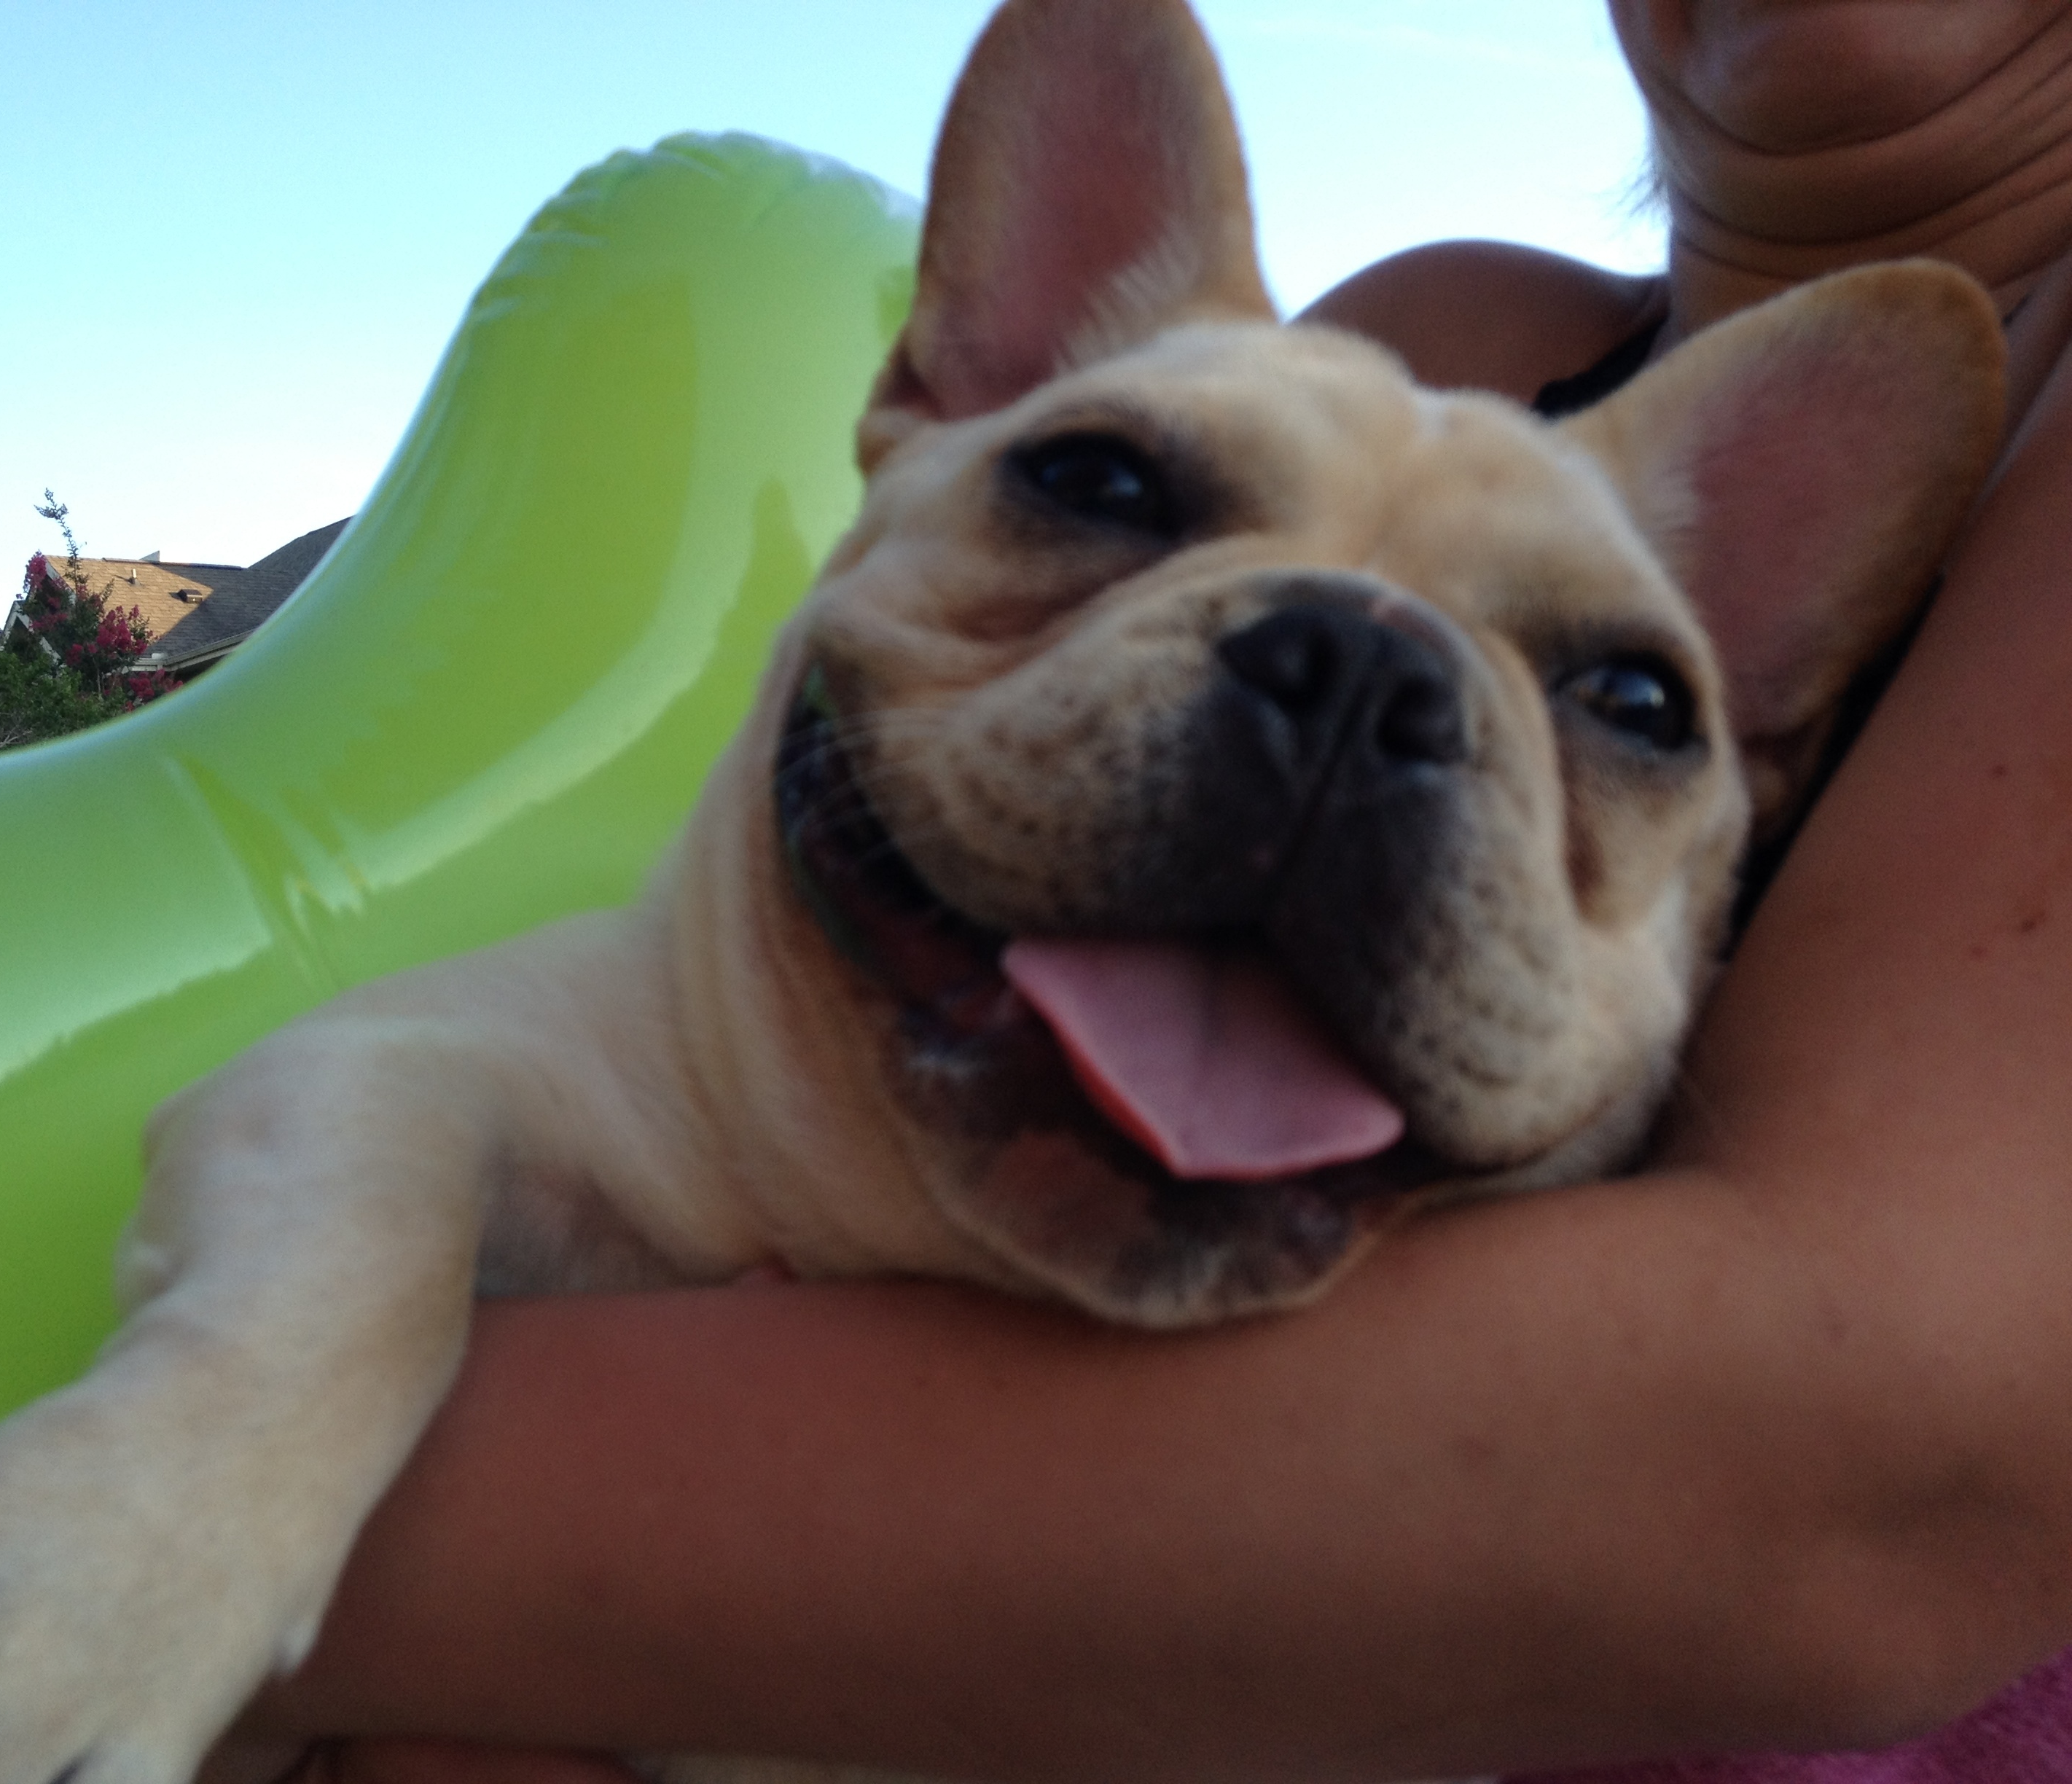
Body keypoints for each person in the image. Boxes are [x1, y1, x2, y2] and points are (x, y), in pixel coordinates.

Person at [230, 2, 2072, 1777]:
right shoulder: (1452, 324)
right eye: (1114, 490)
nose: (1344, 707)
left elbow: (1859, 1487)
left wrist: (248, 1556)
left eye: (1626, 702)